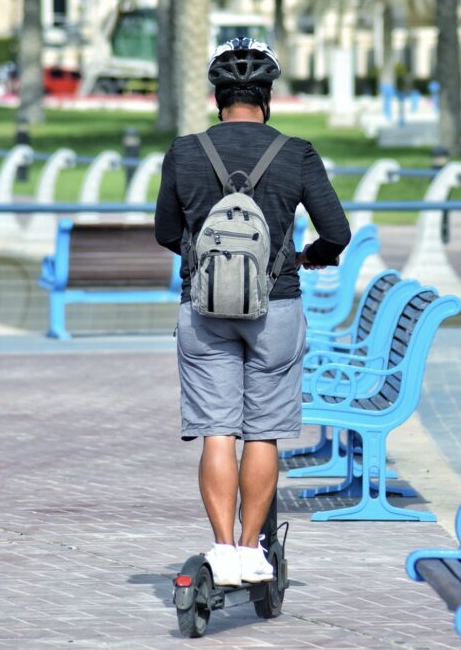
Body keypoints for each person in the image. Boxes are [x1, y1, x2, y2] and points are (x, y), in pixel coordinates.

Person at [154, 37, 351, 586]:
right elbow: (337, 233)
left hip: (203, 307)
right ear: (267, 96)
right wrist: (307, 258)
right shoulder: (297, 152)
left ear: (218, 96)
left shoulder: (185, 150)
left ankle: (222, 551)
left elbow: (167, 231)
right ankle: (251, 550)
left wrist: (203, 261)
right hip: (277, 303)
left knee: (218, 431)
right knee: (262, 433)